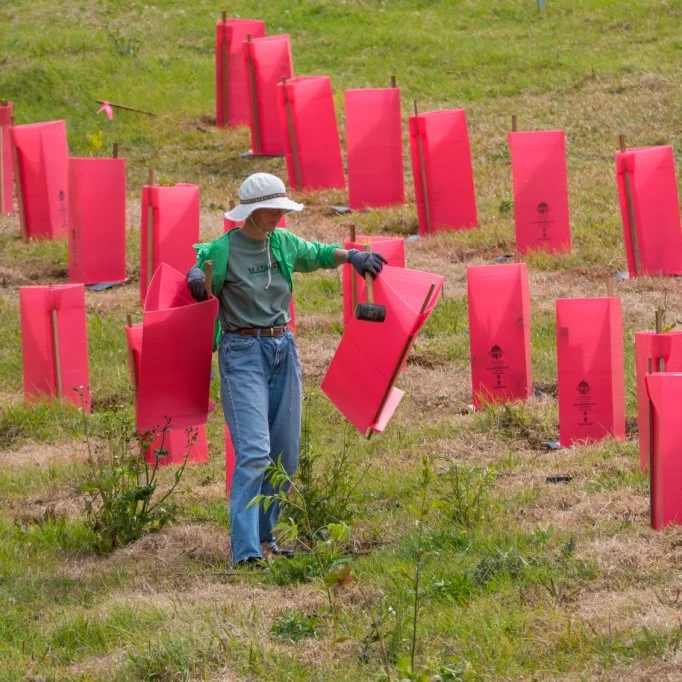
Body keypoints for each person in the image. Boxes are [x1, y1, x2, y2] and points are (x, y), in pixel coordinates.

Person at [186, 172, 386, 567]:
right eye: (273, 210)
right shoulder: (224, 250)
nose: (280, 215)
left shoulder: (283, 243)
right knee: (255, 452)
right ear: (254, 212)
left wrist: (354, 257)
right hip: (242, 352)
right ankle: (245, 552)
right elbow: (198, 272)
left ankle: (267, 535)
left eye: (281, 209)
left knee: (284, 454)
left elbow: (318, 253)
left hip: (283, 348)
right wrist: (194, 276)